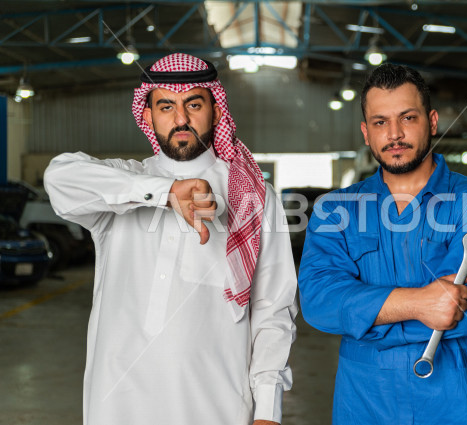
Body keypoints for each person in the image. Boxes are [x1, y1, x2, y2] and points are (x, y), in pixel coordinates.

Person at [44, 53, 297, 425]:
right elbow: (58, 178)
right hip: (117, 406)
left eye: (194, 104)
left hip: (216, 407)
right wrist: (166, 192)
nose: (181, 119)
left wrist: (268, 411)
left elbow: (273, 310)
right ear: (147, 116)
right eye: (166, 106)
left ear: (216, 110)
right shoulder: (126, 185)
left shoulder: (253, 195)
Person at [298, 64, 467, 424]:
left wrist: (361, 315)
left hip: (452, 400)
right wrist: (419, 303)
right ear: (366, 133)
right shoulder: (335, 210)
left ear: (432, 122)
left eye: (407, 118)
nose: (394, 134)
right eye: (380, 122)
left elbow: (460, 317)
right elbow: (319, 302)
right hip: (362, 403)